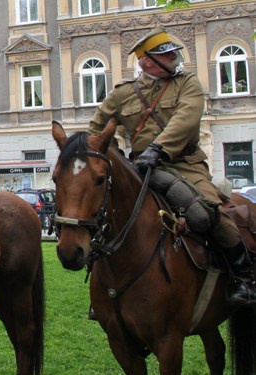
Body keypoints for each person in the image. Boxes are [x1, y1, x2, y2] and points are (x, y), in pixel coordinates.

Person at [89, 27, 255, 307]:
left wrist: (159, 149)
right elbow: (97, 132)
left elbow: (186, 119)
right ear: (147, 61)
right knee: (104, 217)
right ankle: (103, 293)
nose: (175, 58)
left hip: (185, 164)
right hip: (138, 167)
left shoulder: (187, 83)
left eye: (173, 53)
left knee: (208, 213)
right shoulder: (122, 94)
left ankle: (243, 277)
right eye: (166, 55)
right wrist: (117, 160)